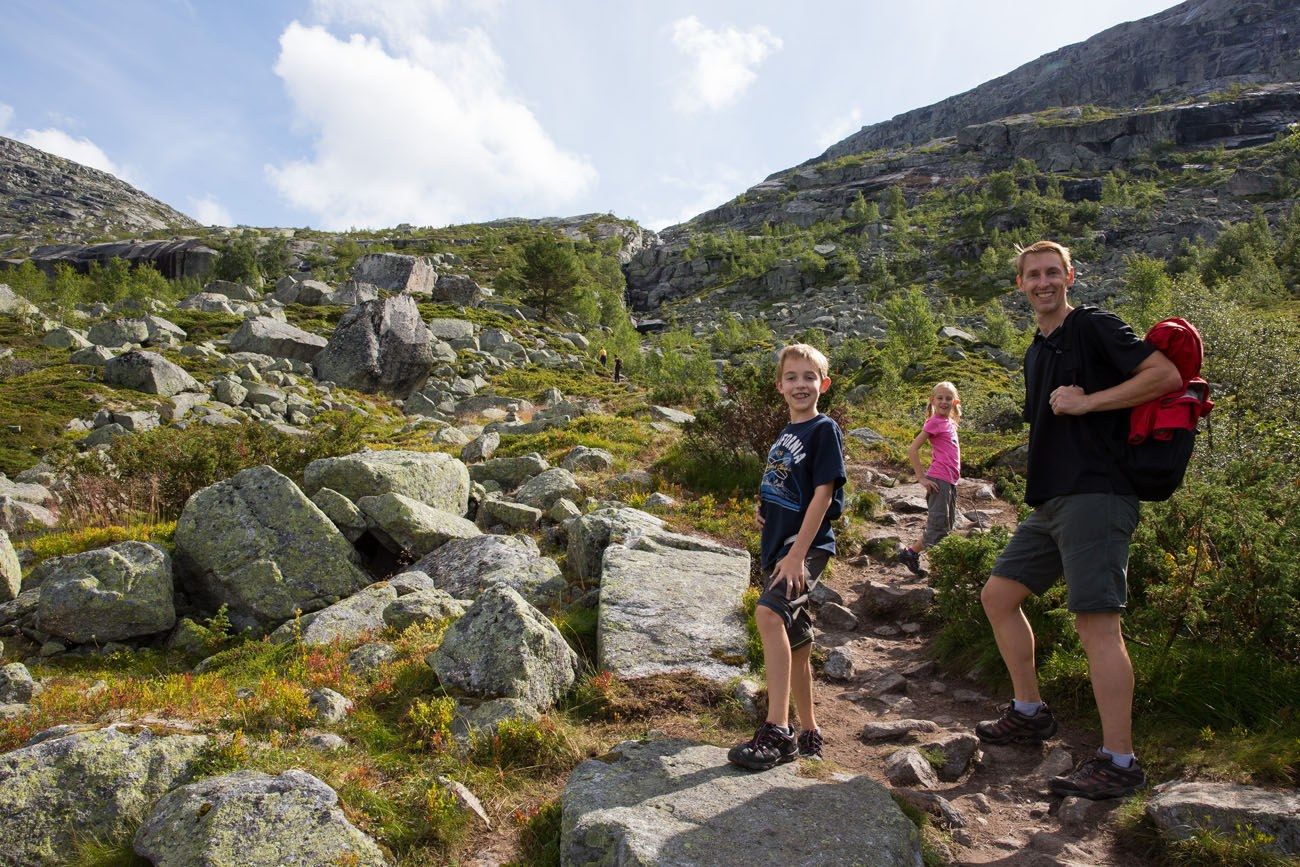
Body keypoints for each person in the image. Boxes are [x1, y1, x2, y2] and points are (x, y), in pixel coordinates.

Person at [975, 240, 1181, 800]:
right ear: (1019, 285)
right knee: (998, 596)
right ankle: (1030, 711)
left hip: (1097, 493)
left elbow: (1164, 376)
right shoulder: (1036, 351)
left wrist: (1089, 402)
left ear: (1070, 276)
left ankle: (1119, 761)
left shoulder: (1093, 325)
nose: (1042, 283)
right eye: (1031, 275)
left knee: (1096, 624)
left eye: (1051, 273)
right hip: (1052, 502)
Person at [728, 344, 847, 770]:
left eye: (809, 377)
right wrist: (766, 507)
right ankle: (809, 730)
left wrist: (798, 554)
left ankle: (777, 730)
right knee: (796, 643)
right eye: (792, 377)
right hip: (777, 547)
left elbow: (824, 492)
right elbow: (786, 483)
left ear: (823, 384)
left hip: (802, 548)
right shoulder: (785, 434)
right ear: (779, 385)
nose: (801, 384)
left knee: (768, 616)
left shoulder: (823, 429)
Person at [897, 381, 962, 578]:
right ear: (932, 400)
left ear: (955, 401)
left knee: (946, 525)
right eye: (940, 398)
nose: (944, 401)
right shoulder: (933, 422)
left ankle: (910, 554)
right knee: (939, 527)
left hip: (950, 482)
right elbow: (912, 449)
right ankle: (939, 573)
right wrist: (921, 477)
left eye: (948, 398)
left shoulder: (950, 423)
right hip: (939, 480)